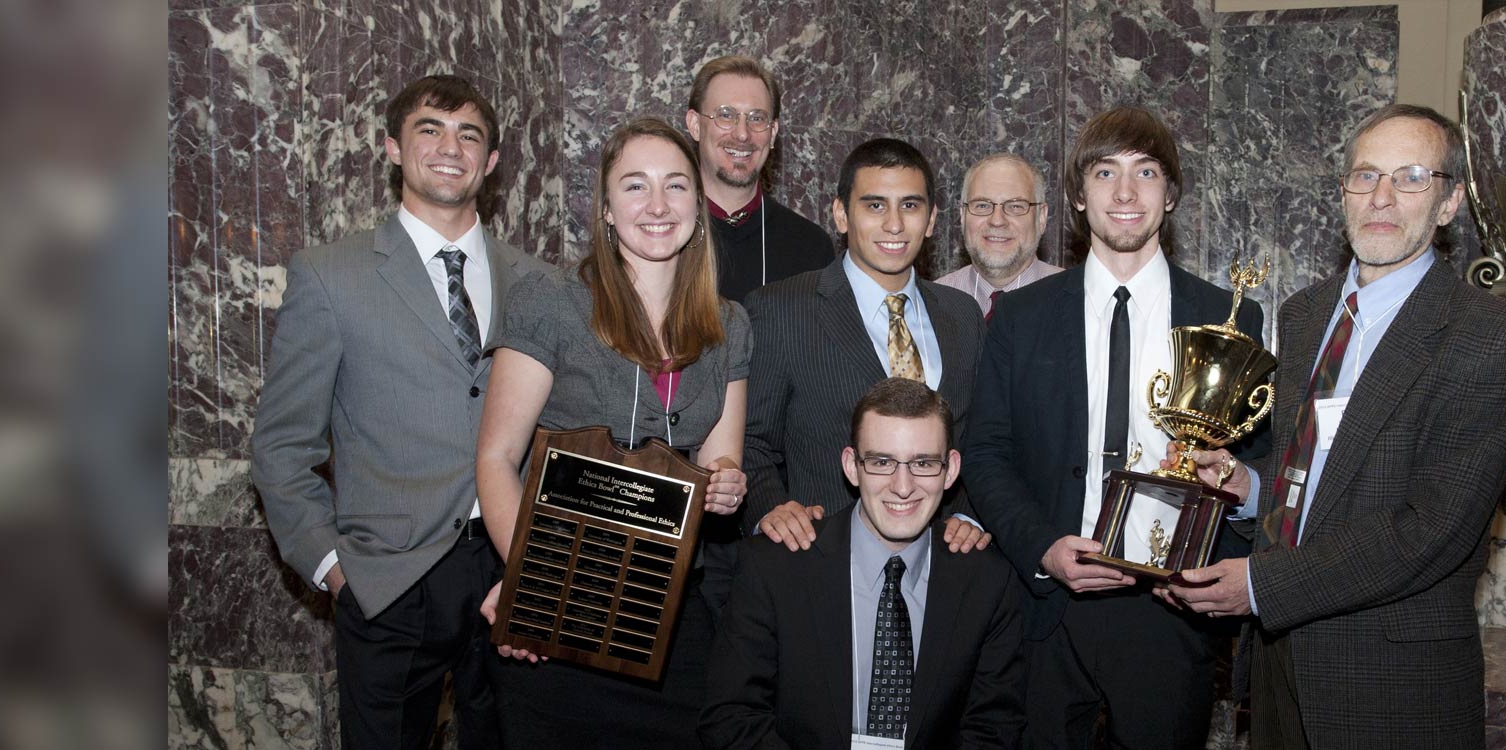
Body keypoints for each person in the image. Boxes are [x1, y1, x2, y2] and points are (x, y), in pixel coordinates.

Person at [1160, 104, 1506, 748]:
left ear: (1448, 203)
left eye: (1412, 177)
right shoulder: (1306, 314)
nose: (1383, 197)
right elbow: (1312, 473)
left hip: (1392, 682)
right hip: (1279, 666)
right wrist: (1245, 487)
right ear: (1344, 195)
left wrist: (1258, 585)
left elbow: (1432, 531)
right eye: (1365, 177)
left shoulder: (1489, 337)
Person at [253, 74, 550, 749]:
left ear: (493, 162)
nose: (452, 147)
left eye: (470, 134)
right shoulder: (330, 275)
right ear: (392, 147)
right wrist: (335, 569)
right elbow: (280, 448)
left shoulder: (540, 282)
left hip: (512, 569)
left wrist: (536, 567)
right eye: (430, 129)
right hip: (388, 580)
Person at [960, 106, 1268, 749]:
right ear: (1076, 196)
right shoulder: (1020, 316)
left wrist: (1236, 493)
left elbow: (1259, 463)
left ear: (1171, 193)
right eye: (1105, 173)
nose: (1125, 194)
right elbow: (985, 454)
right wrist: (1043, 547)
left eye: (1146, 172)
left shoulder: (1228, 316)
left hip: (1171, 611)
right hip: (1045, 608)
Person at [474, 117, 752, 748]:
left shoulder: (729, 323)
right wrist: (531, 585)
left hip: (675, 605)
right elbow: (496, 456)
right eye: (635, 186)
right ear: (604, 208)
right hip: (561, 605)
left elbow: (720, 455)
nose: (657, 206)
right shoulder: (551, 303)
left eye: (676, 187)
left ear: (697, 205)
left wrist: (728, 481)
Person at [702, 378, 1025, 749]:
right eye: (882, 462)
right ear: (852, 466)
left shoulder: (987, 582)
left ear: (950, 469)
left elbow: (993, 729)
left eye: (922, 463)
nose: (902, 486)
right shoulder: (775, 567)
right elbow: (731, 719)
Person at [742, 137, 989, 556]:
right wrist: (772, 508)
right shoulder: (781, 310)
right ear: (841, 214)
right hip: (819, 560)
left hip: (943, 566)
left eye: (910, 206)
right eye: (875, 205)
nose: (894, 224)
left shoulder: (963, 315)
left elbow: (979, 440)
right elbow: (749, 442)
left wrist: (969, 516)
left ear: (931, 220)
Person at [684, 55, 833, 301]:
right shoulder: (660, 234)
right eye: (726, 115)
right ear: (695, 125)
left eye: (756, 118)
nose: (742, 134)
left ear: (773, 133)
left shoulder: (811, 247)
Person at [936, 153, 1062, 318]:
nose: (997, 220)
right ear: (963, 215)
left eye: (1015, 206)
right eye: (982, 205)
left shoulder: (1077, 301)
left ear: (1041, 217)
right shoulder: (932, 305)